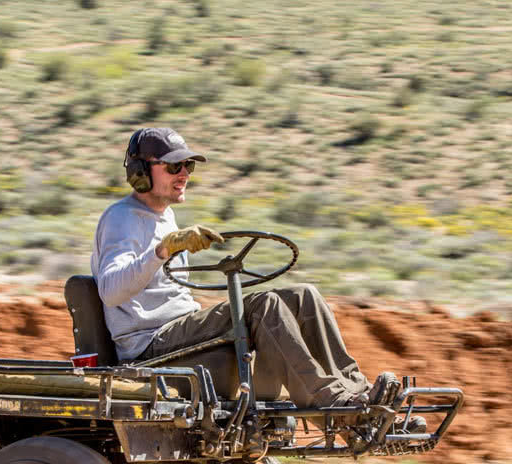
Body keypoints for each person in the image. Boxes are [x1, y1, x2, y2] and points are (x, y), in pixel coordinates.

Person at [90, 127, 418, 431]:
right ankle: (331, 407)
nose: (185, 174)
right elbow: (111, 290)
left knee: (303, 295)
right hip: (150, 345)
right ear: (141, 172)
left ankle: (359, 399)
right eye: (174, 166)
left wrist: (169, 247)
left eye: (188, 165)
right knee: (265, 305)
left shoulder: (165, 217)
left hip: (179, 329)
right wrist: (163, 250)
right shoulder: (121, 219)